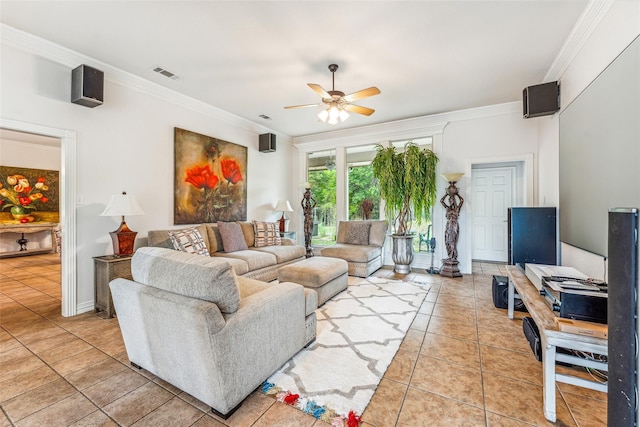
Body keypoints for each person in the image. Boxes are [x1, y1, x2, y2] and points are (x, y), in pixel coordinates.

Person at [441, 182, 464, 260]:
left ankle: (452, 256)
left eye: (452, 200)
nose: (451, 201)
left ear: (454, 201)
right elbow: (441, 201)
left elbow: (462, 200)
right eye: (449, 200)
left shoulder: (457, 208)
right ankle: (449, 255)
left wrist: (457, 194)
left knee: (452, 240)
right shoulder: (448, 208)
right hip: (448, 225)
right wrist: (446, 194)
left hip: (454, 225)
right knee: (447, 240)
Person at [301, 188, 316, 257]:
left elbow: (315, 203)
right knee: (306, 233)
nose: (307, 204)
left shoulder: (311, 208)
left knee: (310, 233)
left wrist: (311, 198)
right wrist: (304, 198)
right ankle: (306, 245)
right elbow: (301, 203)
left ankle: (309, 246)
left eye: (308, 203)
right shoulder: (304, 208)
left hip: (310, 220)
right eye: (306, 204)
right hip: (306, 220)